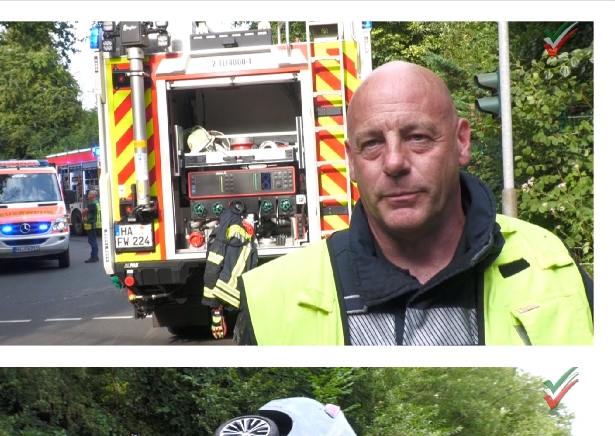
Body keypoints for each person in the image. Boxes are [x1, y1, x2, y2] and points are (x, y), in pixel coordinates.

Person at [238, 61, 591, 345]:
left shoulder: (554, 267)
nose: (393, 163)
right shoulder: (271, 299)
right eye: (372, 143)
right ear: (351, 161)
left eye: (418, 137)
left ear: (461, 143)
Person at [83, 188, 101, 263]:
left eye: (89, 194)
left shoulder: (93, 204)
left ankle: (94, 257)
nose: (88, 195)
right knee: (93, 241)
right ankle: (95, 256)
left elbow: (84, 211)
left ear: (93, 196)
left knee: (92, 241)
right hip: (95, 224)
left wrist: (83, 212)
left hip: (92, 225)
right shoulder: (97, 203)